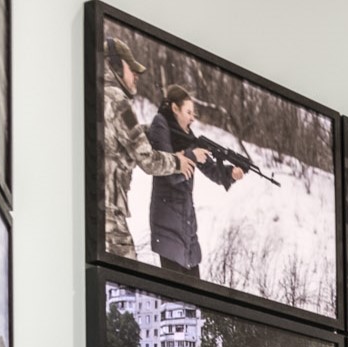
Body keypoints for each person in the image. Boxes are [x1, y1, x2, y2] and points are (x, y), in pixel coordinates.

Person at [102, 37, 195, 258]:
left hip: (88, 208)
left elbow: (120, 140)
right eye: (131, 68)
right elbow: (148, 160)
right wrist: (177, 162)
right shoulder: (117, 101)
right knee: (125, 283)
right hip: (107, 214)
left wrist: (153, 132)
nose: (136, 76)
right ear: (114, 65)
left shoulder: (91, 95)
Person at [146, 84, 244, 276]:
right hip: (168, 223)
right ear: (175, 109)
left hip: (186, 224)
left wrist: (230, 173)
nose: (193, 117)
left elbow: (209, 168)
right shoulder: (160, 125)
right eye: (188, 112)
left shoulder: (188, 137)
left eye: (194, 113)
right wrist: (191, 155)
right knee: (175, 298)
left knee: (193, 294)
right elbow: (168, 170)